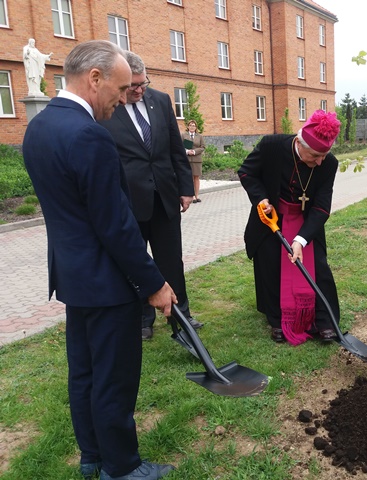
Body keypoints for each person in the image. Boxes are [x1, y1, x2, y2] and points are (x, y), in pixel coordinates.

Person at [22, 40, 177, 480]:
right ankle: (122, 467)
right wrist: (154, 283)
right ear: (95, 78)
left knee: (85, 373)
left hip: (73, 278)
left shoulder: (40, 126)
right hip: (109, 283)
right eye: (122, 88)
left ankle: (92, 455)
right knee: (114, 378)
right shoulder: (90, 135)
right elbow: (116, 225)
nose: (125, 98)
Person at [100, 52, 202, 340]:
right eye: (132, 86)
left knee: (172, 260)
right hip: (129, 200)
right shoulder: (109, 106)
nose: (138, 90)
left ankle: (181, 314)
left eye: (143, 84)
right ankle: (143, 319)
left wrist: (185, 188)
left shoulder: (161, 100)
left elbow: (175, 148)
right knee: (135, 261)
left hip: (164, 197)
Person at [238, 109, 342, 345]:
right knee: (271, 263)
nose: (320, 161)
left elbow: (321, 207)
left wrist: (301, 239)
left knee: (318, 267)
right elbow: (246, 173)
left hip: (307, 222)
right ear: (299, 143)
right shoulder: (271, 146)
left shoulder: (329, 164)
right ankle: (277, 320)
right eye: (315, 155)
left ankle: (324, 321)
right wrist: (261, 198)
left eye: (324, 155)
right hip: (271, 219)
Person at [181, 120, 205, 202]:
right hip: (187, 159)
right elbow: (180, 146)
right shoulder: (183, 135)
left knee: (196, 177)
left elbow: (203, 147)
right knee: (190, 178)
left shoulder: (200, 136)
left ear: (196, 127)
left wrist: (194, 151)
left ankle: (197, 196)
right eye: (190, 125)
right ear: (188, 127)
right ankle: (192, 196)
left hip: (197, 159)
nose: (192, 127)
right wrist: (187, 151)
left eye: (193, 125)